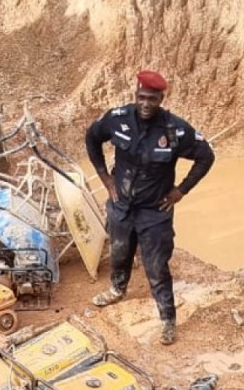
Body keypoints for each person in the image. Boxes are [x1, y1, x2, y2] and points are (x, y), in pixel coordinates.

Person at [84, 70, 215, 346]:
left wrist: (181, 191)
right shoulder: (117, 119)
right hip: (121, 205)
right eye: (142, 97)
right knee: (119, 253)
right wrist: (106, 179)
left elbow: (206, 156)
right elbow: (92, 138)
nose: (146, 103)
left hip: (155, 212)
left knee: (156, 266)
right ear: (136, 96)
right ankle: (117, 289)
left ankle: (167, 319)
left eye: (152, 99)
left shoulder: (175, 130)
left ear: (161, 98)